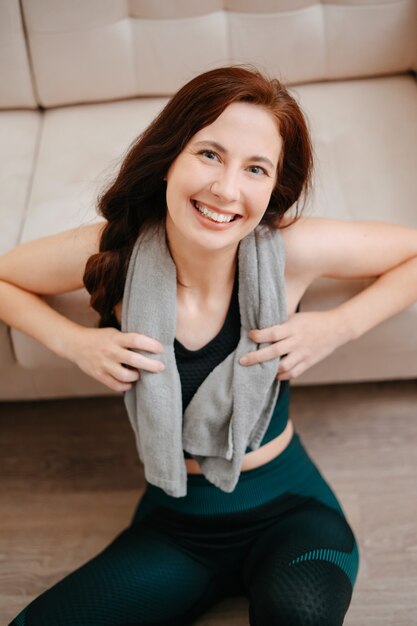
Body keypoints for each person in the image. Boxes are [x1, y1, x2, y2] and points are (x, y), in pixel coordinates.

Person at [2, 65, 417, 626]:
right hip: (176, 524)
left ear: (274, 188)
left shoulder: (290, 251)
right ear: (170, 155)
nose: (226, 189)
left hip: (290, 511)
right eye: (209, 155)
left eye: (255, 169)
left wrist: (336, 325)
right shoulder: (116, 253)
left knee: (299, 614)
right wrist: (73, 342)